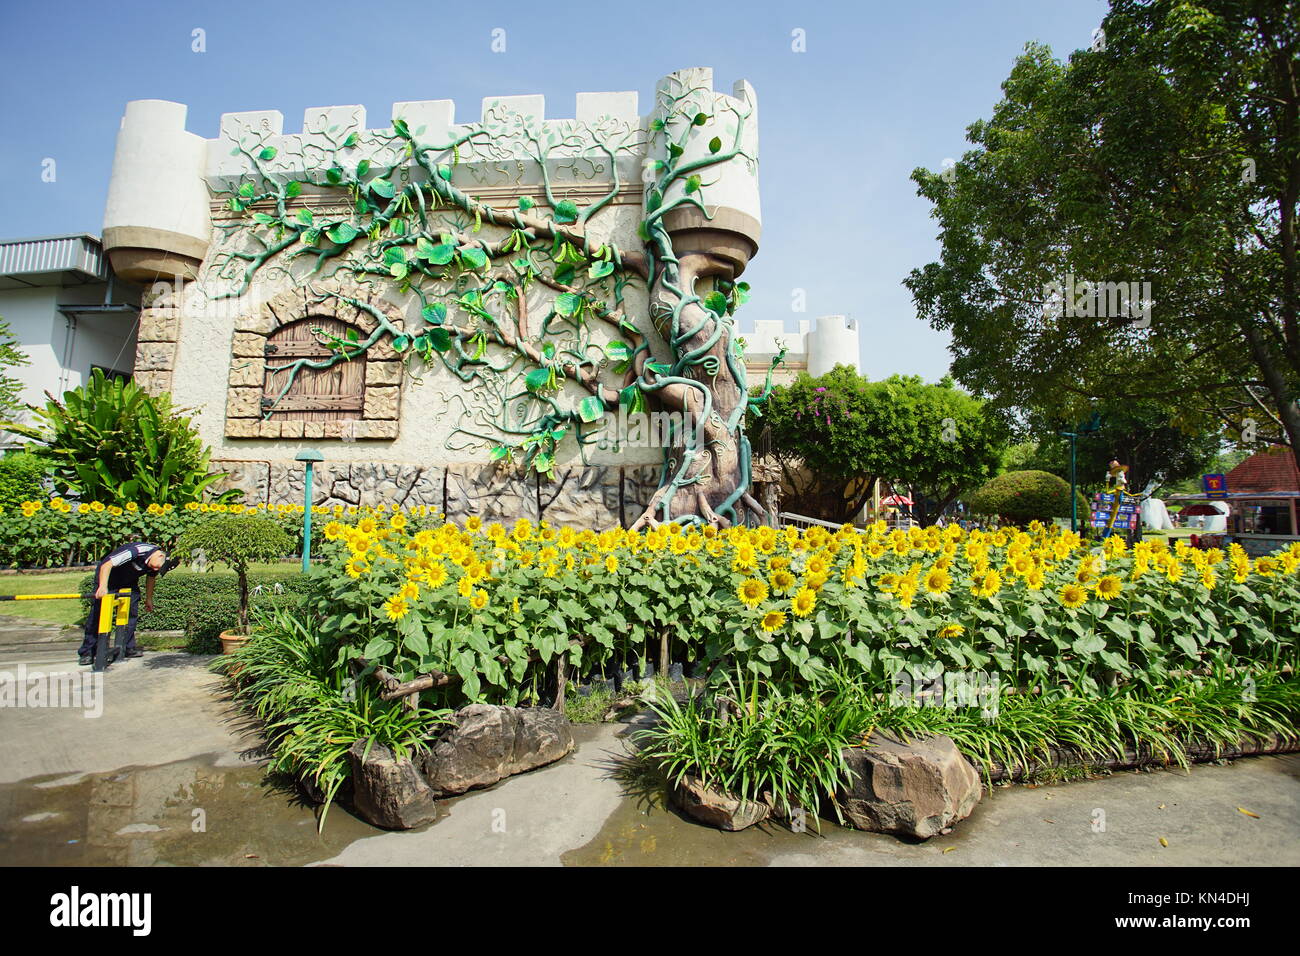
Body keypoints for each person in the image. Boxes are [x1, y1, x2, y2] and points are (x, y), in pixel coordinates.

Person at [78, 542, 173, 666]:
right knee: (98, 615)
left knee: (130, 614)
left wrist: (149, 598)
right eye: (157, 567)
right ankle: (88, 652)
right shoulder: (136, 551)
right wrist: (102, 587)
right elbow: (107, 564)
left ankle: (126, 647)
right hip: (108, 579)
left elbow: (151, 578)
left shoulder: (155, 562)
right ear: (160, 556)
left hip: (128, 583)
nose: (155, 569)